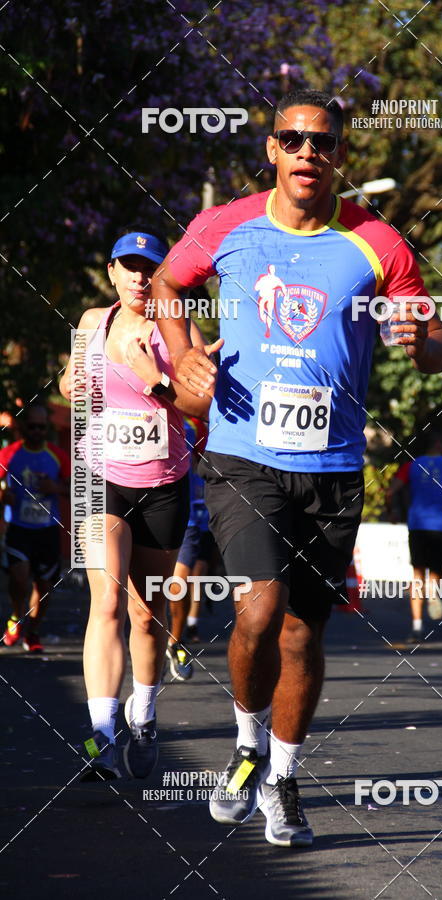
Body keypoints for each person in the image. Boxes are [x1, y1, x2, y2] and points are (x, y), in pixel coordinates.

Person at [150, 88, 442, 845]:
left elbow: (432, 329)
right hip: (242, 452)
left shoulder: (379, 242)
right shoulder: (226, 226)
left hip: (333, 464)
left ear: (340, 154)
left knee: (300, 636)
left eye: (322, 142)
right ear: (272, 150)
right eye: (293, 139)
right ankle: (247, 748)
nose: (308, 152)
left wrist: (426, 341)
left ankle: (280, 776)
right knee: (258, 607)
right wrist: (184, 355)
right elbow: (165, 286)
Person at [59, 224, 212, 780]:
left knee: (147, 618)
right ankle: (102, 733)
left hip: (164, 485)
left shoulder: (181, 330)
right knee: (105, 605)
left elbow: (203, 408)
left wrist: (156, 379)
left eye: (151, 269)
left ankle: (143, 715)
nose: (141, 278)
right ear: (113, 273)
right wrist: (70, 380)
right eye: (130, 267)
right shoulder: (90, 324)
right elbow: (72, 379)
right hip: (102, 480)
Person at [0, 404, 70, 653]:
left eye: (42, 427)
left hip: (48, 530)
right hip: (19, 528)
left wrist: (57, 489)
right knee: (19, 579)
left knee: (44, 588)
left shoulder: (57, 456)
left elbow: (77, 490)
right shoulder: (9, 454)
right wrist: (3, 495)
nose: (38, 431)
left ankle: (33, 631)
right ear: (22, 427)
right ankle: (16, 617)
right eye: (33, 426)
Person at [392, 431, 442, 641]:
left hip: (417, 523)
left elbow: (391, 490)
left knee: (417, 574)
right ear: (441, 444)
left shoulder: (410, 465)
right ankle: (433, 592)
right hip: (441, 525)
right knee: (436, 572)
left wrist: (393, 510)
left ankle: (416, 626)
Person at [164, 415, 214, 678]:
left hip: (188, 518)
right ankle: (152, 641)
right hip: (149, 509)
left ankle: (175, 640)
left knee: (178, 583)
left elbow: (208, 465)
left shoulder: (195, 426)